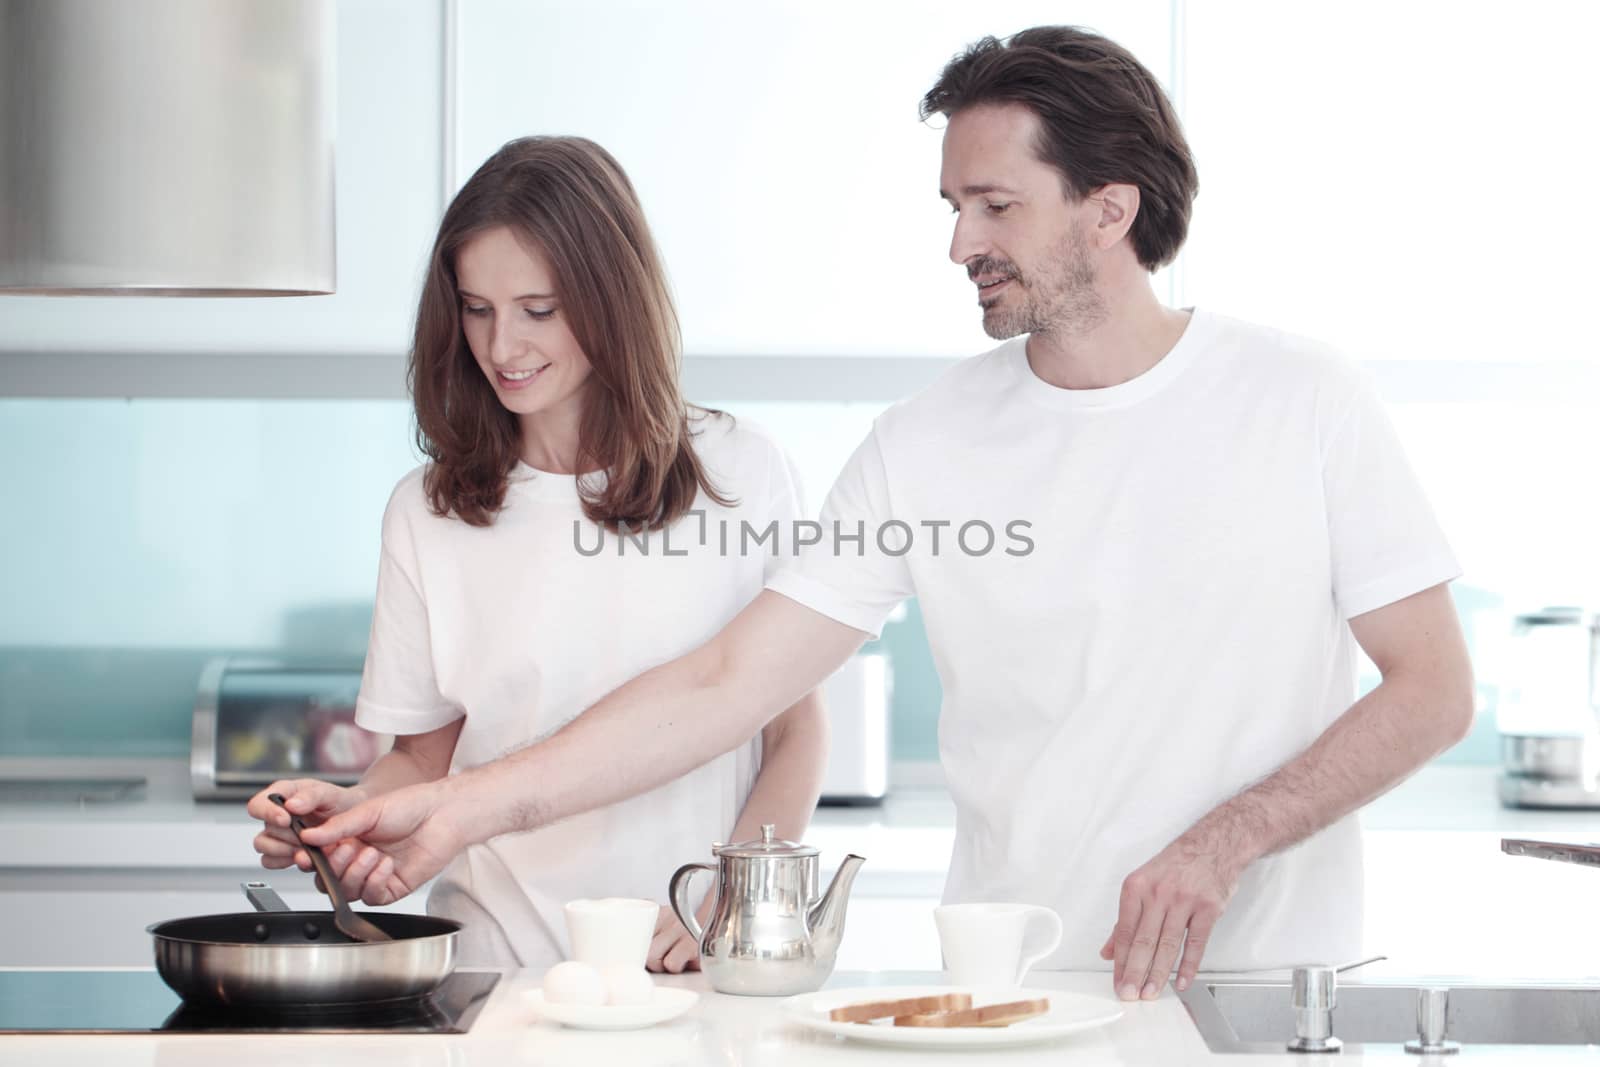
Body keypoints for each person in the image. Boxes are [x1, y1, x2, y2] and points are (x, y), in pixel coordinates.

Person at [296, 29, 1474, 1000]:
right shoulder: (923, 443)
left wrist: (1225, 841)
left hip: (1269, 981)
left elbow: (1431, 688)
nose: (960, 242)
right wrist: (451, 809)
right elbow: (726, 686)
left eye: (995, 205)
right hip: (1014, 983)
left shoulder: (1301, 397)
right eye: (955, 204)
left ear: (1109, 209)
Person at [246, 135, 827, 972]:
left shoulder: (741, 471)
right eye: (476, 308)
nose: (502, 347)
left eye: (538, 309)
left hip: (686, 966)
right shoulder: (429, 510)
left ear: (611, 299)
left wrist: (731, 895)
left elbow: (796, 728)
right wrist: (349, 815)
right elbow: (421, 758)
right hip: (497, 970)